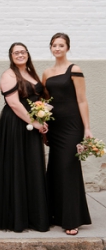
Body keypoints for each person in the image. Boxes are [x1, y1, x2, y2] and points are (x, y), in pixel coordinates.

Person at [0, 42, 50, 233]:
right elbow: (15, 104)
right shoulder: (8, 75)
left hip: (32, 123)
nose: (20, 55)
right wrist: (34, 122)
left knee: (33, 166)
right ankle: (17, 218)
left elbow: (38, 98)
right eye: (16, 52)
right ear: (11, 56)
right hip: (16, 125)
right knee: (17, 167)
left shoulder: (32, 73)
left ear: (28, 54)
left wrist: (42, 116)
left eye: (23, 52)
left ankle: (35, 217)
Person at [42, 33, 92, 235]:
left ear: (67, 48)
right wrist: (43, 124)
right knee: (55, 167)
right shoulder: (46, 73)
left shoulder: (75, 69)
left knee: (68, 168)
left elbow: (82, 100)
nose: (57, 48)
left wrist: (87, 128)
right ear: (51, 48)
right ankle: (55, 213)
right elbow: (45, 102)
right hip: (54, 126)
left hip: (72, 126)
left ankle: (72, 219)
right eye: (54, 45)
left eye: (61, 45)